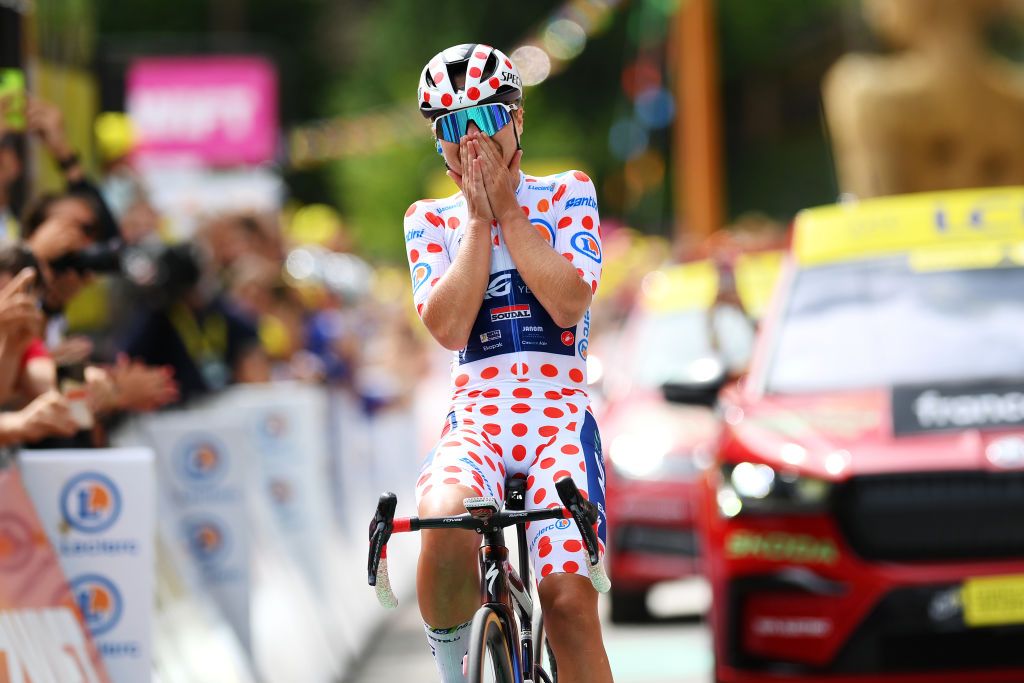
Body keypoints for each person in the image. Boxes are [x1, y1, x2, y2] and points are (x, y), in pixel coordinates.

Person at [405, 44, 612, 682]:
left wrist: (511, 214)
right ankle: (454, 669)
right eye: (451, 126)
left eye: (486, 120)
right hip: (478, 418)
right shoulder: (427, 220)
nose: (472, 142)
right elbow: (446, 328)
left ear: (517, 120)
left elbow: (570, 298)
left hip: (558, 418)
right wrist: (475, 222)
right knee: (442, 520)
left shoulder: (568, 192)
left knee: (569, 602)